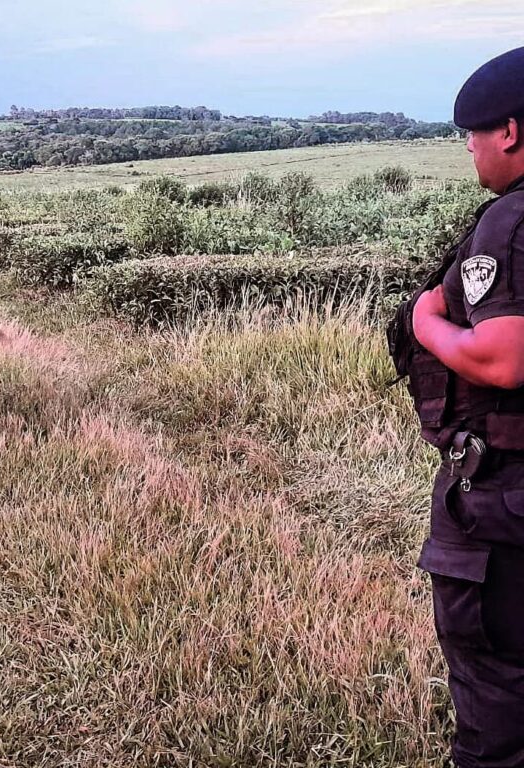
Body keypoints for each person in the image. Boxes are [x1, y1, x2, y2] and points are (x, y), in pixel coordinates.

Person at [389, 46, 524, 767]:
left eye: (472, 136)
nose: (471, 152)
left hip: (505, 497)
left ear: (508, 131)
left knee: (496, 683)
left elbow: (503, 357)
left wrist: (424, 323)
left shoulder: (511, 220)